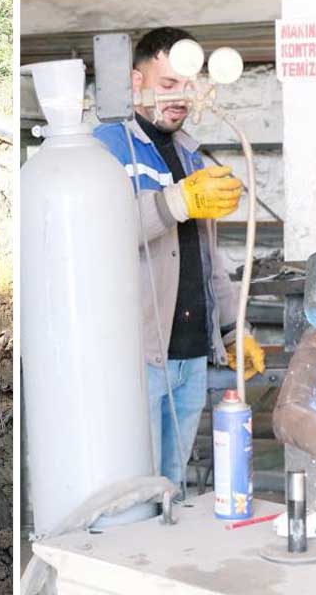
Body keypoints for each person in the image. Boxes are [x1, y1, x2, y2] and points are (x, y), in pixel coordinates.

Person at [93, 27, 266, 493]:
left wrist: (232, 330)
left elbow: (208, 258)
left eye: (186, 86)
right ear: (134, 81)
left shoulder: (189, 155)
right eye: (167, 84)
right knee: (133, 488)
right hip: (139, 356)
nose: (180, 97)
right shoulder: (104, 148)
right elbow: (97, 234)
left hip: (190, 353)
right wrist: (175, 203)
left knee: (171, 486)